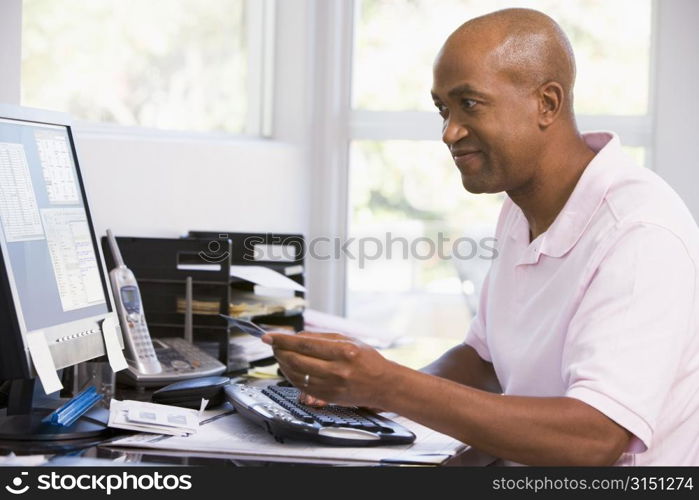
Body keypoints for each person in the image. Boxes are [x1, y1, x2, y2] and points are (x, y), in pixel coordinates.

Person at [262, 8, 699, 466]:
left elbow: (594, 438)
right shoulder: (520, 206)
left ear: (547, 103)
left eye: (469, 103)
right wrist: (369, 391)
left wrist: (392, 384)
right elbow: (485, 362)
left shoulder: (640, 233)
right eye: (442, 109)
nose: (449, 131)